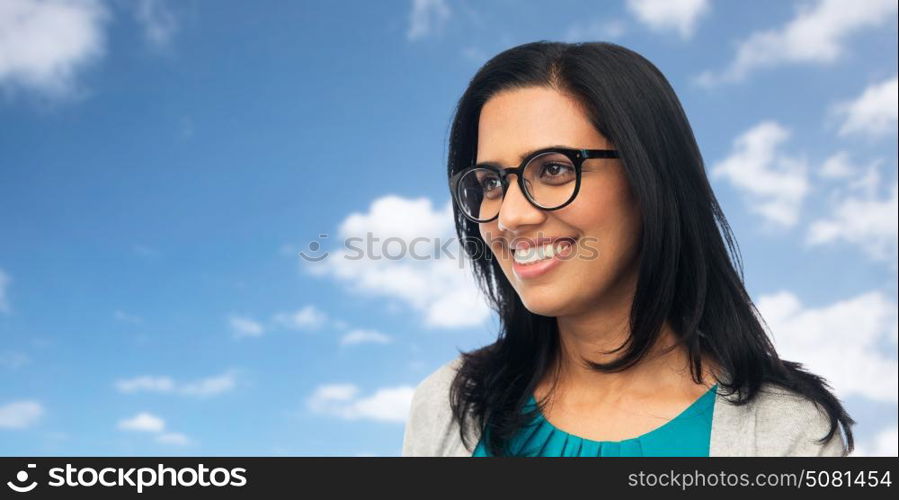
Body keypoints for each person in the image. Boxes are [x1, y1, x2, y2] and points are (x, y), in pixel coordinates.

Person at [402, 41, 854, 457]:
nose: (511, 216)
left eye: (555, 169)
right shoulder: (447, 405)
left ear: (648, 179)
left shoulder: (787, 435)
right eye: (491, 182)